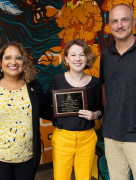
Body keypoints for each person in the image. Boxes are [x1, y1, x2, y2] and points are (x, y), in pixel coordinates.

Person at [0, 41, 52, 180]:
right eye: (8, 57)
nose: (13, 62)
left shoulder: (34, 86)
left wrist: (73, 113)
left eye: (18, 58)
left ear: (24, 62)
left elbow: (45, 111)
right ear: (0, 62)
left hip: (27, 160)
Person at [47, 39, 104, 180]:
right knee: (61, 177)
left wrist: (95, 115)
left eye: (82, 55)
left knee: (84, 177)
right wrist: (57, 119)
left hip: (87, 139)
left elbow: (100, 108)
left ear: (87, 58)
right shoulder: (57, 80)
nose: (77, 59)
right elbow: (45, 104)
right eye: (73, 55)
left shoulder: (95, 83)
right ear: (66, 58)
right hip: (62, 138)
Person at [100, 3, 136, 180]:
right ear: (110, 26)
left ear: (133, 22)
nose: (119, 25)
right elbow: (105, 87)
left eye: (124, 20)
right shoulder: (106, 55)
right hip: (112, 135)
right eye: (114, 21)